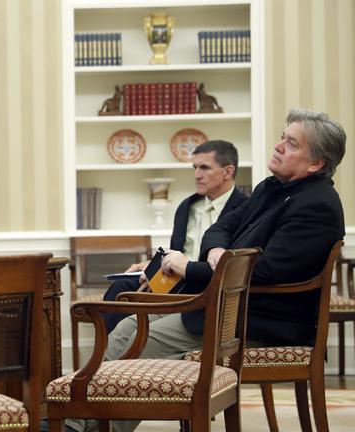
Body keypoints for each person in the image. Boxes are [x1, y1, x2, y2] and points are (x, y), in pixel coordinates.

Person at [76, 108, 346, 432]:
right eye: (281, 138)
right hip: (225, 308)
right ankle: (80, 422)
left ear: (316, 163)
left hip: (259, 324)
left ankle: (88, 428)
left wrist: (192, 268)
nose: (278, 146)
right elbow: (221, 227)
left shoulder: (317, 205)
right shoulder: (270, 188)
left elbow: (262, 274)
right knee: (126, 328)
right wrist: (218, 251)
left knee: (141, 343)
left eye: (291, 143)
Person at [100, 140, 248, 333]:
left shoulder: (246, 209)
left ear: (228, 172)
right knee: (121, 288)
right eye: (195, 167)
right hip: (174, 280)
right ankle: (109, 359)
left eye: (204, 168)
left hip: (208, 284)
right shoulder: (187, 207)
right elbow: (177, 251)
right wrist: (152, 266)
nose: (196, 175)